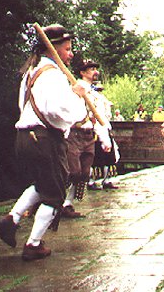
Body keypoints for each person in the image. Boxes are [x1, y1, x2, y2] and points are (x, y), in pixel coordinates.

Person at [0, 24, 88, 261]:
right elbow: (58, 111)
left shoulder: (32, 72)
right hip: (44, 139)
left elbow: (23, 106)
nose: (71, 54)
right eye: (67, 49)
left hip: (25, 137)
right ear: (54, 49)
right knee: (55, 193)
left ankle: (11, 220)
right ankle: (33, 244)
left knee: (42, 184)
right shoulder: (52, 75)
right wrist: (77, 98)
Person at [62, 59, 112, 214]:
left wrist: (105, 139)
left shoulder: (95, 94)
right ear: (82, 73)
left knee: (84, 173)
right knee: (74, 172)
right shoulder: (74, 88)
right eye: (91, 69)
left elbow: (99, 118)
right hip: (74, 134)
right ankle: (54, 200)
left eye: (95, 69)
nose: (95, 72)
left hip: (89, 135)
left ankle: (67, 204)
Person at [88, 82, 120, 190]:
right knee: (96, 159)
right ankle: (91, 181)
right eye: (98, 90)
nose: (99, 93)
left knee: (109, 157)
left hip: (105, 128)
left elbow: (107, 117)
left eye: (101, 90)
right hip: (95, 131)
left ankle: (107, 180)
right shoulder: (91, 101)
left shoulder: (104, 101)